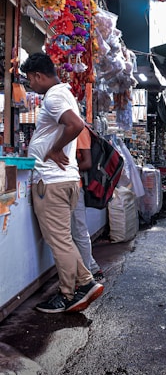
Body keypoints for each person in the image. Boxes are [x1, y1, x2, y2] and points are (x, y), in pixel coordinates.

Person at [21, 52, 104, 313]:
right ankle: (85, 283)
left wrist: (55, 149)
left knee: (59, 241)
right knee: (64, 239)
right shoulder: (64, 94)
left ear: (37, 75)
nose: (30, 86)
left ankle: (68, 295)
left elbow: (75, 125)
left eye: (29, 80)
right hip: (64, 180)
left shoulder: (55, 96)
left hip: (53, 182)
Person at [72, 126, 105, 283]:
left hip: (75, 185)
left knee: (79, 231)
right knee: (74, 232)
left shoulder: (80, 130)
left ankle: (86, 278)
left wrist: (67, 168)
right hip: (69, 184)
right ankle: (91, 268)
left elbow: (87, 162)